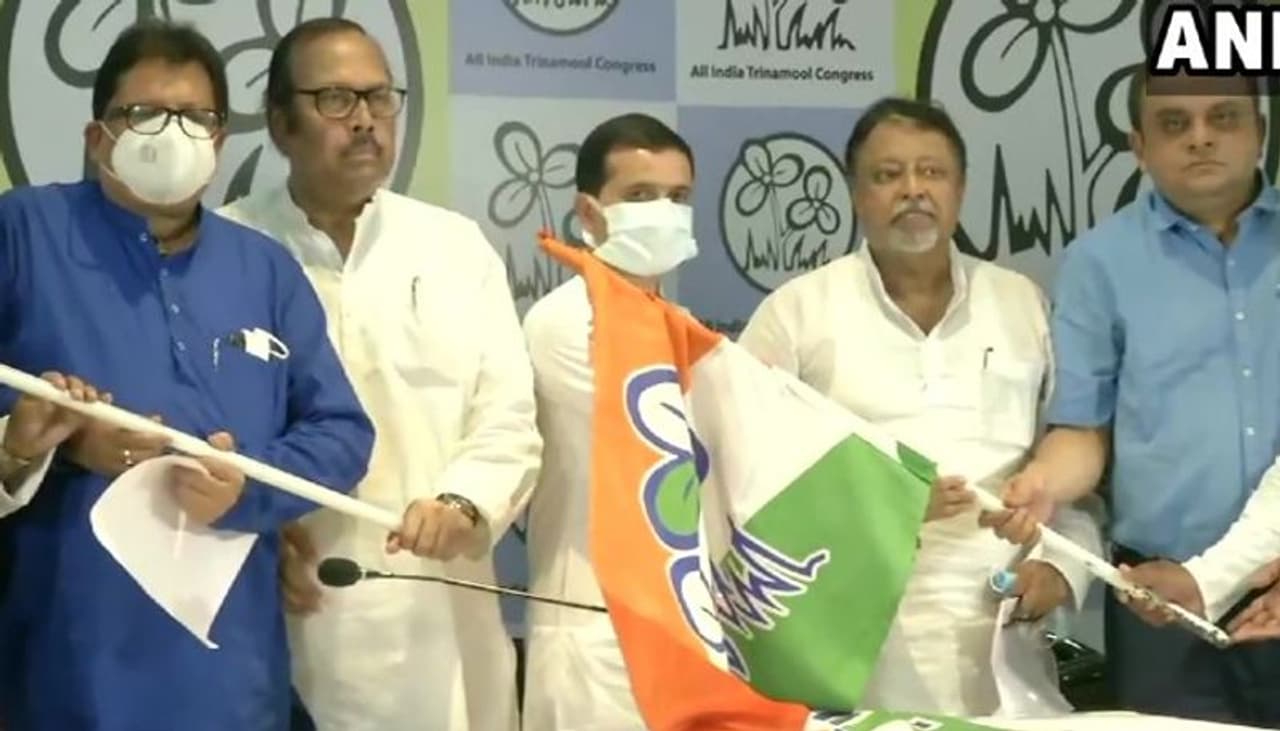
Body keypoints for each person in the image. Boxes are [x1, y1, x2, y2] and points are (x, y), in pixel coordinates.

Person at [0, 20, 376, 731]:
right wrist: (34, 445)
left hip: (233, 678)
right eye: (145, 113)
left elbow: (342, 432)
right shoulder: (23, 233)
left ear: (219, 142)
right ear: (97, 138)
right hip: (63, 668)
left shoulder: (264, 269)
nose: (172, 134)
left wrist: (247, 485)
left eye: (196, 117)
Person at [219, 18, 542, 731]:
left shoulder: (453, 246)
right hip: (288, 607)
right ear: (280, 122)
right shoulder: (227, 249)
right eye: (336, 99)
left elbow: (509, 417)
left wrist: (464, 503)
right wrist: (252, 534)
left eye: (378, 97)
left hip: (439, 609)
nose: (364, 120)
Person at [737, 97, 1101, 716]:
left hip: (1006, 648)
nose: (913, 190)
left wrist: (1061, 572)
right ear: (857, 194)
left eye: (932, 172)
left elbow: (1071, 475)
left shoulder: (1022, 303)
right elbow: (743, 490)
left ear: (960, 189)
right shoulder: (796, 313)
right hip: (851, 650)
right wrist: (888, 506)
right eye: (888, 175)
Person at [985, 69, 1280, 724]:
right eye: (1174, 123)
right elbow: (1082, 430)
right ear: (1139, 146)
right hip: (1161, 605)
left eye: (1223, 117)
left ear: (1261, 131)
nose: (1200, 137)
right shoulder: (1100, 262)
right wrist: (1043, 483)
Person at [521, 112, 696, 731]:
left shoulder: (675, 323)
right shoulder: (566, 322)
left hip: (670, 627)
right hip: (590, 629)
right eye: (641, 196)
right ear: (589, 214)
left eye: (678, 197)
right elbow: (667, 449)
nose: (664, 213)